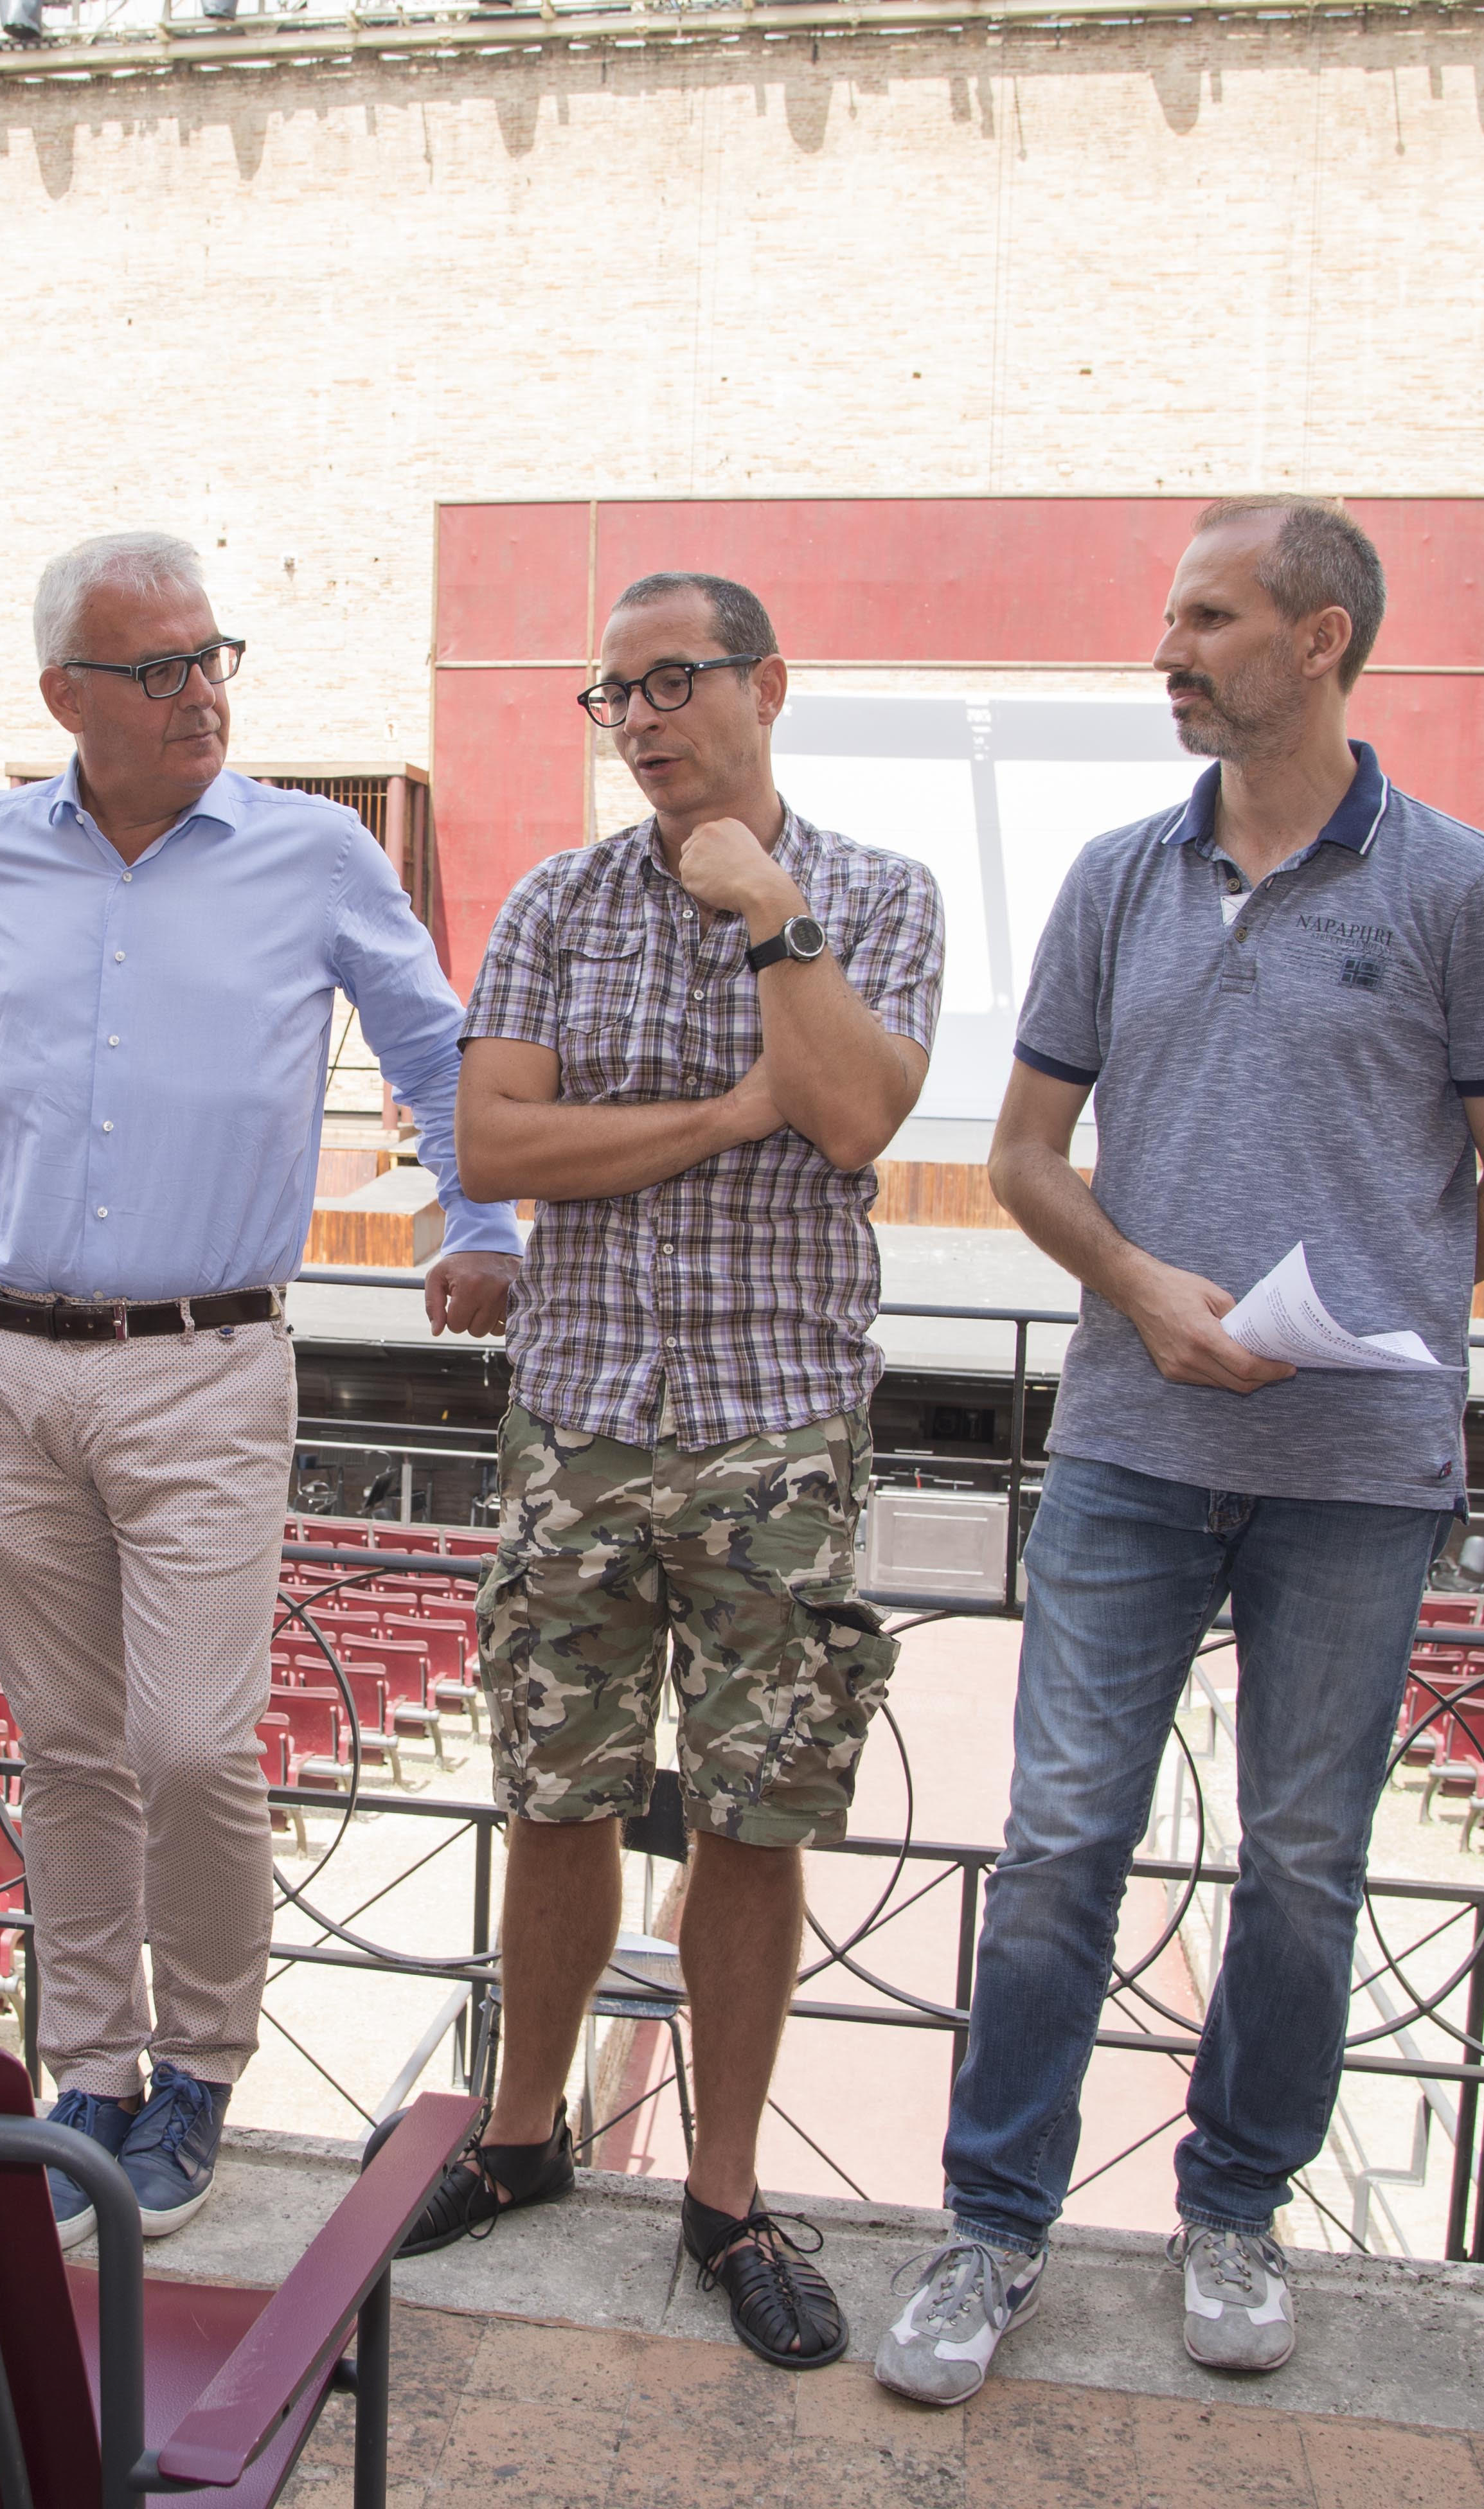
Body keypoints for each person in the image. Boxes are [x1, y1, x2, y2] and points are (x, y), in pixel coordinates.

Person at [877, 498, 1484, 2405]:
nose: (1169, 651)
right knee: (1057, 1846)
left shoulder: (1460, 891)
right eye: (1171, 618)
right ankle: (991, 2226)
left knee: (1300, 1862)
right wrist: (1145, 1287)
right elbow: (1023, 1159)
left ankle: (1238, 2210)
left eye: (1211, 617)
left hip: (1356, 1458)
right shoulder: (1118, 877)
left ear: (1325, 638)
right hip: (1126, 1436)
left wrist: (1360, 1293)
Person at [0, 530, 521, 2247]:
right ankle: (93, 2073)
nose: (201, 693)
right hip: (2, 1362)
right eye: (159, 669)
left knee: (195, 1745)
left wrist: (480, 1213)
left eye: (214, 658)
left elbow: (432, 1042)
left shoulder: (314, 852)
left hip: (210, 1361)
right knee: (66, 1748)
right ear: (69, 696)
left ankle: (201, 2062)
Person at [399, 569, 942, 2371]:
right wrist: (723, 1118)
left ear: (768, 683)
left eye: (672, 681)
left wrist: (778, 925)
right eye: (611, 693)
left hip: (780, 1422)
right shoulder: (557, 901)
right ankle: (523, 2132)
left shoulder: (875, 895)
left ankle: (724, 2193)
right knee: (553, 1791)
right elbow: (497, 1136)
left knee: (754, 1814)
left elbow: (858, 1113)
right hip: (580, 1413)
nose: (639, 719)